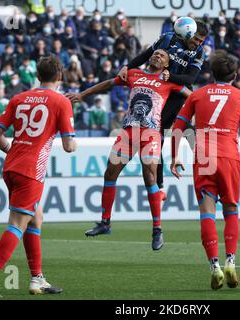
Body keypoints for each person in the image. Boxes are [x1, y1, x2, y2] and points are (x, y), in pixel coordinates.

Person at [67, 49, 191, 250]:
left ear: (167, 65)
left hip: (150, 133)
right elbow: (109, 83)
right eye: (156, 54)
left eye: (162, 56)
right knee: (109, 173)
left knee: (150, 177)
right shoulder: (134, 74)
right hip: (127, 132)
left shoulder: (169, 80)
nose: (157, 56)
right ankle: (105, 222)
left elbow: (192, 96)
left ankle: (157, 229)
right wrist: (82, 94)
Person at [0, 55, 77, 298]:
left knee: (35, 218)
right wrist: (73, 138)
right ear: (60, 76)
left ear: (38, 75)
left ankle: (37, 279)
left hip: (11, 166)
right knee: (17, 224)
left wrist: (16, 151)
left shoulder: (18, 98)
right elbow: (69, 146)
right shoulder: (61, 101)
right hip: (31, 171)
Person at [170, 52, 240, 290]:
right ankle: (231, 261)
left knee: (206, 211)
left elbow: (178, 127)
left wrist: (175, 156)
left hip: (204, 156)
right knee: (231, 209)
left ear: (212, 73)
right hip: (229, 155)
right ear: (235, 75)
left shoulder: (197, 95)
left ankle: (214, 266)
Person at [117, 20, 208, 200]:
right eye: (197, 39)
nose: (199, 43)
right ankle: (159, 186)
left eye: (202, 40)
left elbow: (191, 77)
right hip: (157, 89)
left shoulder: (199, 52)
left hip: (177, 94)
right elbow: (145, 55)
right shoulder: (166, 39)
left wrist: (171, 76)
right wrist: (128, 66)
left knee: (165, 133)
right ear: (188, 33)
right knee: (157, 134)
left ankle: (202, 170)